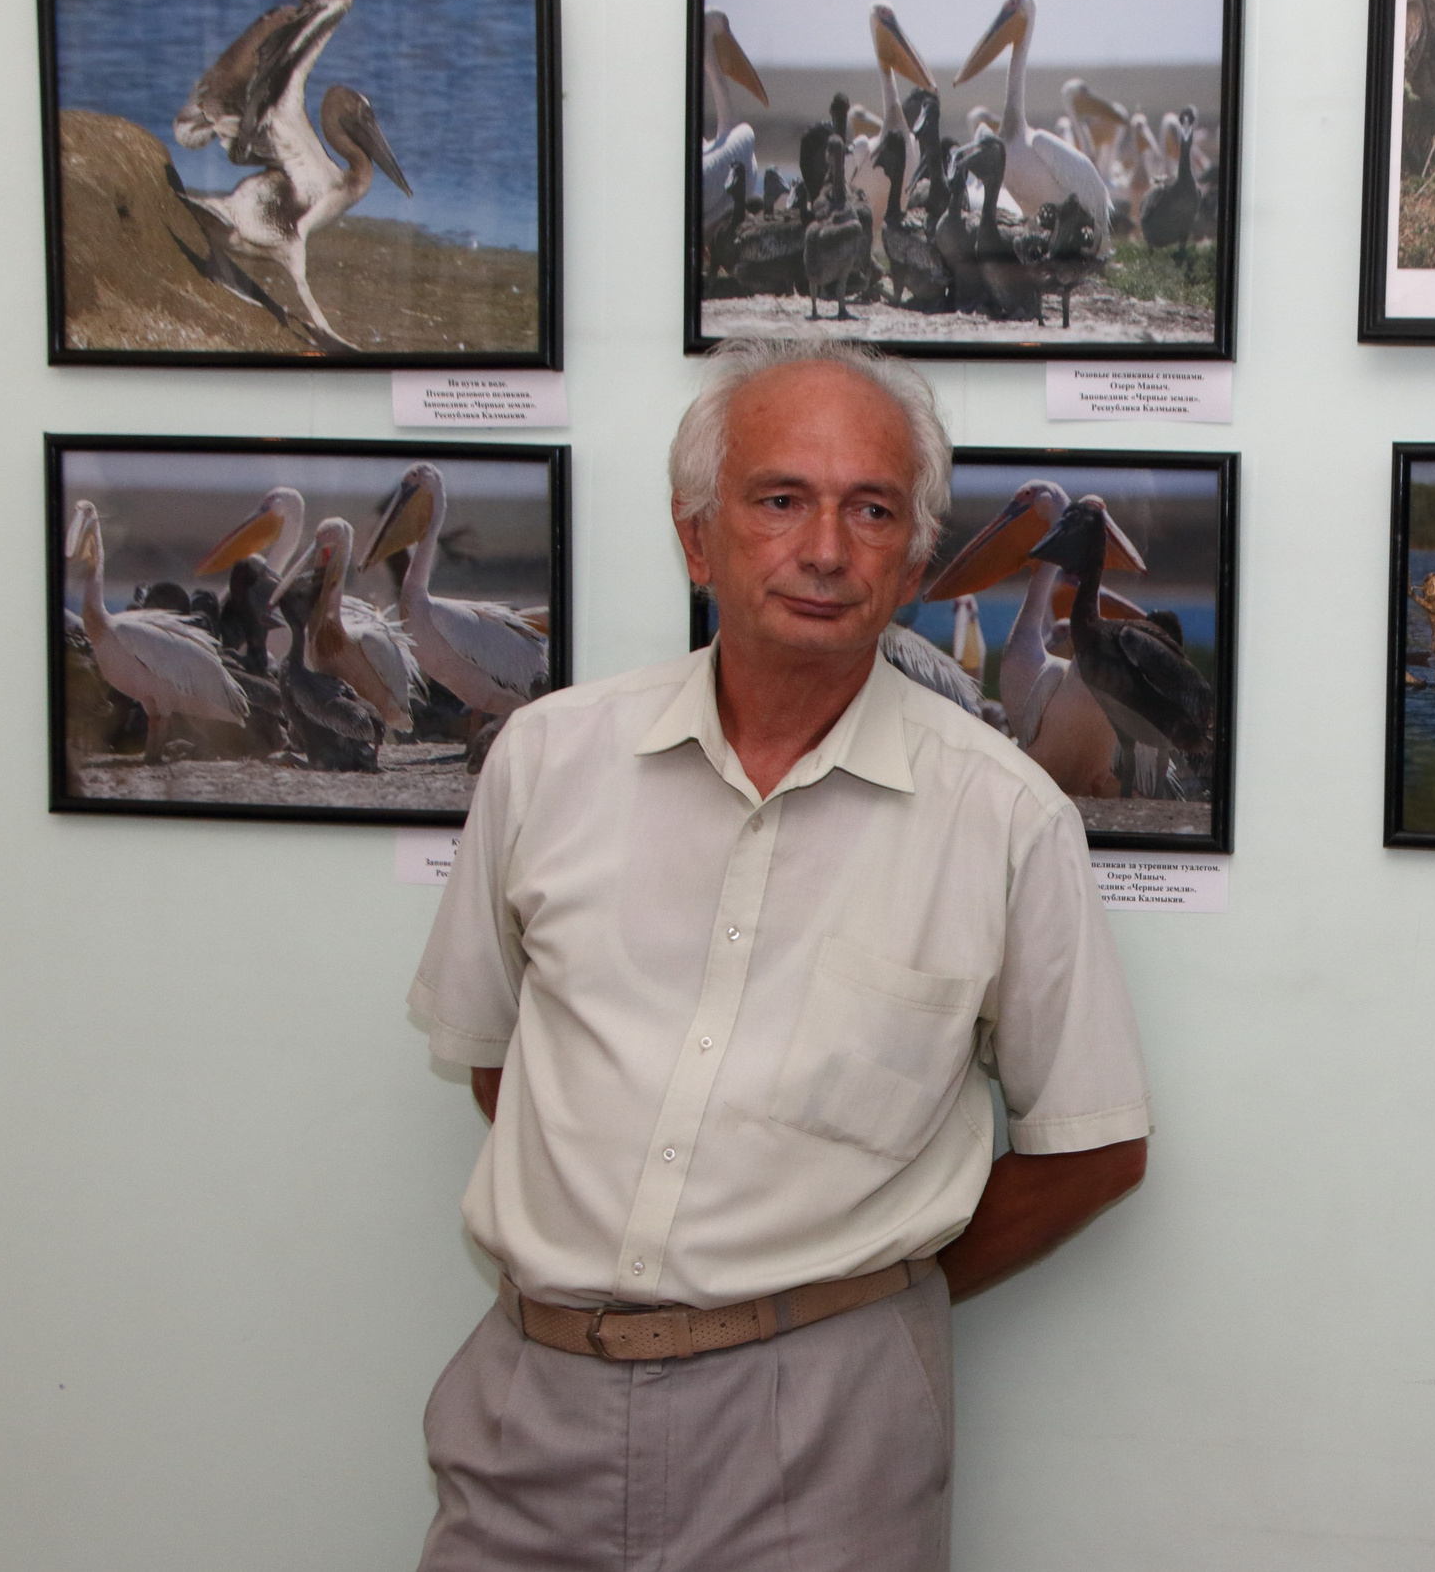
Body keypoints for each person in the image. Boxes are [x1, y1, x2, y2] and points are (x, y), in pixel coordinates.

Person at [406, 336, 1151, 1571]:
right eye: (779, 500)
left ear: (915, 561)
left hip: (829, 1438)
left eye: (870, 510)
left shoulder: (1004, 818)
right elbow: (504, 1071)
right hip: (529, 1420)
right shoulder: (546, 763)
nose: (822, 550)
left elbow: (1092, 1150)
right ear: (698, 539)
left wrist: (840, 1297)